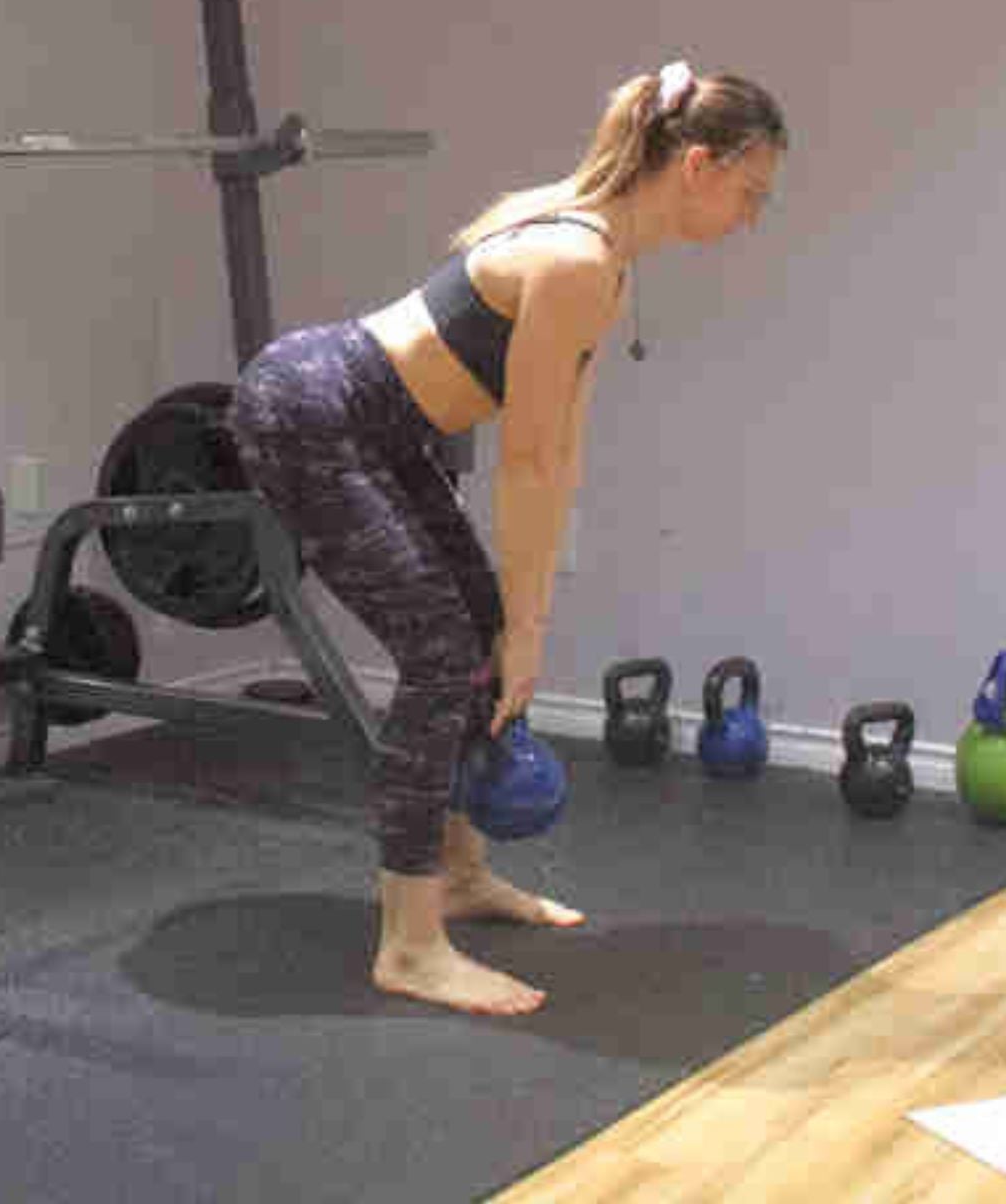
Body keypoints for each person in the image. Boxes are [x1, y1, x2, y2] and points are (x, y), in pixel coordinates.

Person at [231, 61, 787, 1017]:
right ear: (697, 164)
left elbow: (558, 443)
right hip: (313, 410)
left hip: (373, 419)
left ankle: (457, 873)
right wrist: (530, 629)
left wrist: (518, 618)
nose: (751, 216)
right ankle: (408, 945)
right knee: (445, 654)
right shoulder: (576, 260)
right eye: (751, 192)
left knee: (474, 631)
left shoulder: (603, 254)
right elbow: (528, 465)